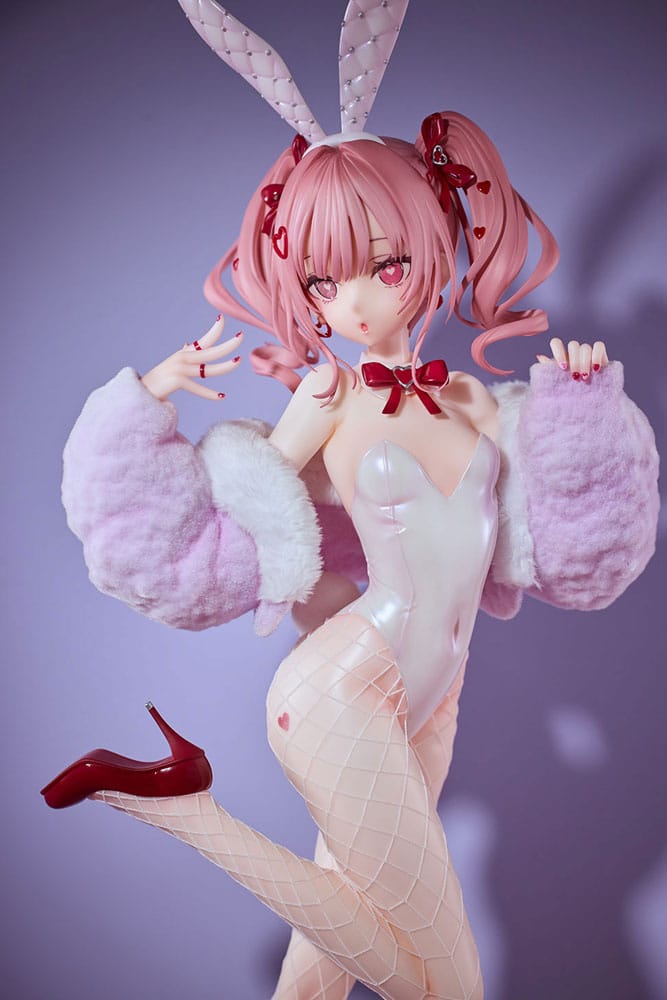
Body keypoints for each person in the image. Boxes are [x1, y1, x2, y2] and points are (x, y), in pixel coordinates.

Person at [41, 2, 659, 998]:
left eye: (383, 265)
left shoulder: (476, 405)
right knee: (445, 983)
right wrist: (147, 400)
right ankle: (180, 808)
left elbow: (575, 541)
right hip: (338, 691)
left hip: (433, 700)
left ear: (431, 242)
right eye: (323, 283)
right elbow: (234, 514)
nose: (353, 303)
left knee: (318, 977)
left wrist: (582, 406)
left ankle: (174, 800)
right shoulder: (326, 398)